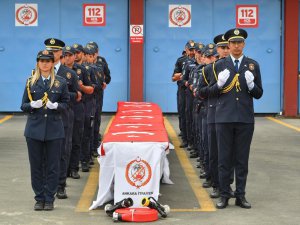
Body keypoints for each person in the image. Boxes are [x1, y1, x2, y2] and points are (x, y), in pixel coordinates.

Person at [209, 28, 263, 209]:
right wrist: (219, 85)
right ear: (229, 45)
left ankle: (241, 195)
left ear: (244, 44)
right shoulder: (219, 66)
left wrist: (251, 84)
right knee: (224, 159)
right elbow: (206, 92)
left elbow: (259, 94)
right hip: (223, 118)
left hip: (244, 119)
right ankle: (224, 195)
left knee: (241, 159)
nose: (237, 45)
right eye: (233, 43)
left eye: (240, 42)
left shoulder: (252, 65)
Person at [21, 50, 69, 210]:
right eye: (42, 61)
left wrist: (56, 106)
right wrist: (31, 106)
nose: (45, 63)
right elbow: (23, 105)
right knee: (36, 166)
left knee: (52, 166)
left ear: (52, 63)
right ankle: (39, 197)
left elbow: (66, 104)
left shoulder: (60, 82)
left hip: (54, 130)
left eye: (48, 61)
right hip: (34, 130)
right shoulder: (30, 82)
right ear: (38, 63)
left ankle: (49, 198)